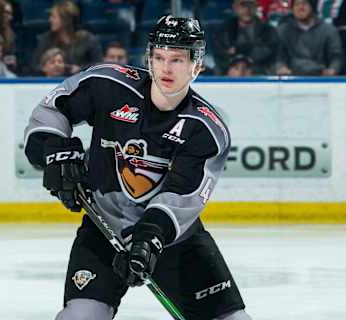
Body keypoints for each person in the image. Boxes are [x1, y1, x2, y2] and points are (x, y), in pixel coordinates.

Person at [24, 15, 252, 320]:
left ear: (197, 65)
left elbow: (182, 194)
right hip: (103, 230)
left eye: (177, 59)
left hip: (173, 241)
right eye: (159, 57)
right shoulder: (109, 83)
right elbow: (52, 110)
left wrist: (149, 239)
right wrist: (54, 152)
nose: (166, 68)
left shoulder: (206, 129)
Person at [32, 0, 103, 75]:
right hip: (52, 83)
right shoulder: (46, 39)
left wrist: (81, 69)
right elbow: (35, 65)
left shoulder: (88, 39)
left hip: (80, 81)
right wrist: (47, 69)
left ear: (66, 20)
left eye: (53, 16)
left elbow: (99, 65)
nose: (50, 20)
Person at [276, 0, 343, 76]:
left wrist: (333, 69)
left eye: (304, 4)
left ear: (312, 7)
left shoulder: (329, 30)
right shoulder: (283, 30)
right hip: (292, 76)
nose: (300, 8)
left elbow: (336, 56)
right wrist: (281, 67)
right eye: (296, 4)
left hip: (321, 77)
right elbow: (279, 57)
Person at [212, 0, 279, 75]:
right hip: (229, 71)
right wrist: (233, 66)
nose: (247, 9)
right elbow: (219, 56)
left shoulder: (268, 31)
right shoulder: (223, 30)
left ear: (256, 7)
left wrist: (246, 64)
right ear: (235, 7)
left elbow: (268, 55)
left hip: (258, 72)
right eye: (243, 5)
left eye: (251, 5)